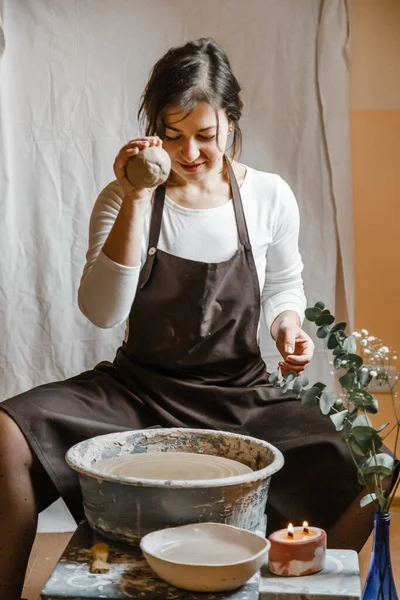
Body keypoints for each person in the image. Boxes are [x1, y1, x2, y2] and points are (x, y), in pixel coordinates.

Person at [0, 38, 373, 600]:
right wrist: (134, 198)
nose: (189, 152)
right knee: (7, 433)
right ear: (152, 130)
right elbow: (102, 312)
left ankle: (271, 583)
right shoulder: (122, 198)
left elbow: (282, 285)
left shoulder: (269, 195)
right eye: (172, 136)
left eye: (206, 134)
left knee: (369, 468)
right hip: (138, 390)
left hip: (239, 392)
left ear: (232, 121)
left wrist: (287, 326)